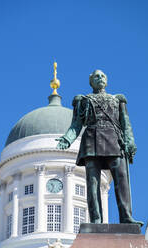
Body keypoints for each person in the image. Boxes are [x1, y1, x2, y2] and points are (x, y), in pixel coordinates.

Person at [56, 69, 143, 226]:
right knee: (93, 182)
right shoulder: (84, 100)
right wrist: (67, 139)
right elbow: (76, 125)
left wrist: (130, 142)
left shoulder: (117, 100)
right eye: (96, 76)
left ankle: (126, 217)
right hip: (92, 141)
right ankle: (96, 220)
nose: (100, 78)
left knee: (121, 179)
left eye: (103, 76)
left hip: (114, 140)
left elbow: (126, 124)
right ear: (91, 81)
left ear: (106, 81)